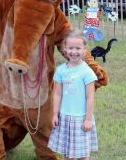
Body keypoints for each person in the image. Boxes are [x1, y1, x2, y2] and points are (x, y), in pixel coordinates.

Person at [48, 29, 98, 159]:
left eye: (78, 48)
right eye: (70, 48)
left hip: (81, 119)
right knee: (68, 153)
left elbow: (90, 97)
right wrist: (55, 114)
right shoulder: (60, 71)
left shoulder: (87, 72)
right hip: (65, 118)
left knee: (82, 154)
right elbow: (57, 94)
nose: (74, 52)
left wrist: (88, 119)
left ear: (84, 49)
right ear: (64, 48)